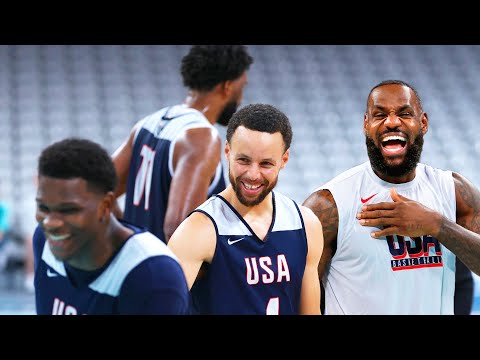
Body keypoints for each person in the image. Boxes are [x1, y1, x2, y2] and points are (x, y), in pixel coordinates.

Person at [303, 79, 480, 315]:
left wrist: (437, 225)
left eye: (405, 113)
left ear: (423, 122)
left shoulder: (454, 191)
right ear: (366, 125)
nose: (392, 122)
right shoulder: (328, 204)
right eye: (380, 115)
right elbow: (299, 300)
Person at [168, 103, 324, 315]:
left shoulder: (306, 224)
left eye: (266, 164)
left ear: (284, 160)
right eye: (244, 160)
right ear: (227, 151)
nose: (253, 174)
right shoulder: (198, 230)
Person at [112, 45, 254, 244]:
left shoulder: (147, 123)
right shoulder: (201, 138)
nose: (240, 98)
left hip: (137, 265)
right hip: (166, 271)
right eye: (242, 87)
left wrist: (126, 236)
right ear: (227, 87)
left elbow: (98, 191)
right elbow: (179, 229)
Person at [33, 138, 190, 315]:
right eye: (43, 208)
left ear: (106, 205)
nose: (50, 223)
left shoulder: (154, 276)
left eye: (68, 210)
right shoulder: (45, 240)